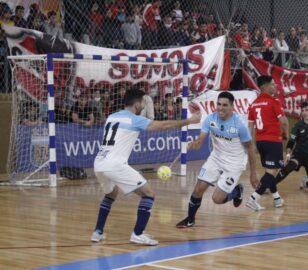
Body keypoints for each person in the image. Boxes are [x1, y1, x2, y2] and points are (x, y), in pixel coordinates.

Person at [91, 88, 201, 245]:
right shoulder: (133, 120)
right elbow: (163, 126)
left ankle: (97, 232)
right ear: (137, 104)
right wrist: (189, 121)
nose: (144, 104)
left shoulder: (112, 117)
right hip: (114, 164)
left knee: (111, 195)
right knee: (148, 194)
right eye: (143, 102)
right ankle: (138, 234)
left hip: (99, 163)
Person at [176, 92, 258, 228]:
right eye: (218, 104)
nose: (220, 108)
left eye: (225, 105)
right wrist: (195, 143)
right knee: (198, 189)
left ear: (232, 106)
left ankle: (237, 191)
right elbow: (201, 139)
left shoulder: (240, 125)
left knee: (217, 199)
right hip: (216, 158)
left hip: (234, 163)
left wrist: (253, 173)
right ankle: (190, 220)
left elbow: (250, 148)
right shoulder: (210, 119)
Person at [246, 75, 289, 211]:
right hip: (272, 140)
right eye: (272, 84)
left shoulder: (253, 104)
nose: (275, 86)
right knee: (271, 171)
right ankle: (253, 199)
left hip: (260, 141)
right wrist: (285, 134)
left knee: (270, 170)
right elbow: (283, 121)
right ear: (264, 87)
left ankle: (276, 198)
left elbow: (250, 127)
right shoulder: (273, 101)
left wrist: (252, 144)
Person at [275, 101, 308, 193]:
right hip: (299, 155)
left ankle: (306, 182)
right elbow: (291, 143)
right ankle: (270, 185)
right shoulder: (298, 125)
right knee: (290, 166)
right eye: (302, 110)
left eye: (307, 110)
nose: (304, 112)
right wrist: (288, 155)